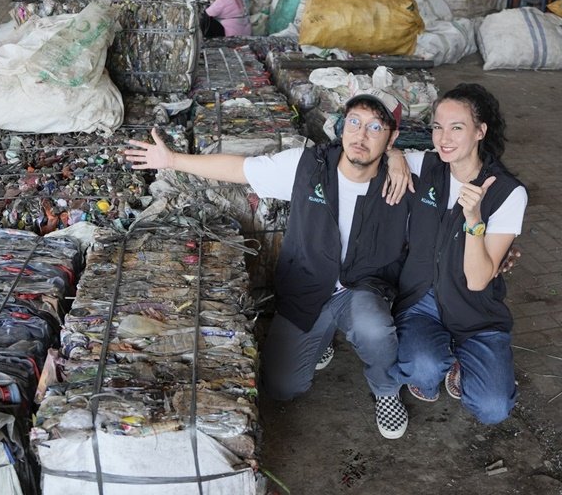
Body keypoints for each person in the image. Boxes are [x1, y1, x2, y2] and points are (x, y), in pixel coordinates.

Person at [125, 94, 414, 439]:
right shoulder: (307, 166)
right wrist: (172, 159)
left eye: (375, 127)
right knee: (281, 386)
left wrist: (398, 158)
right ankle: (322, 336)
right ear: (342, 126)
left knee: (375, 329)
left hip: (362, 287)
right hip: (308, 287)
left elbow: (459, 166)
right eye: (354, 122)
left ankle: (385, 388)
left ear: (391, 137)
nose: (361, 135)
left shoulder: (405, 173)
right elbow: (238, 168)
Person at [390, 84, 527, 425]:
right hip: (421, 298)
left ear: (481, 131)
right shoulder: (426, 166)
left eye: (457, 127)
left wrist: (474, 219)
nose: (443, 138)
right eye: (437, 127)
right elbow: (373, 152)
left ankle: (461, 363)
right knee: (422, 371)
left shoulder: (508, 192)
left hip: (475, 309)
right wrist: (393, 155)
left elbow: (478, 279)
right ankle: (443, 358)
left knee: (493, 408)